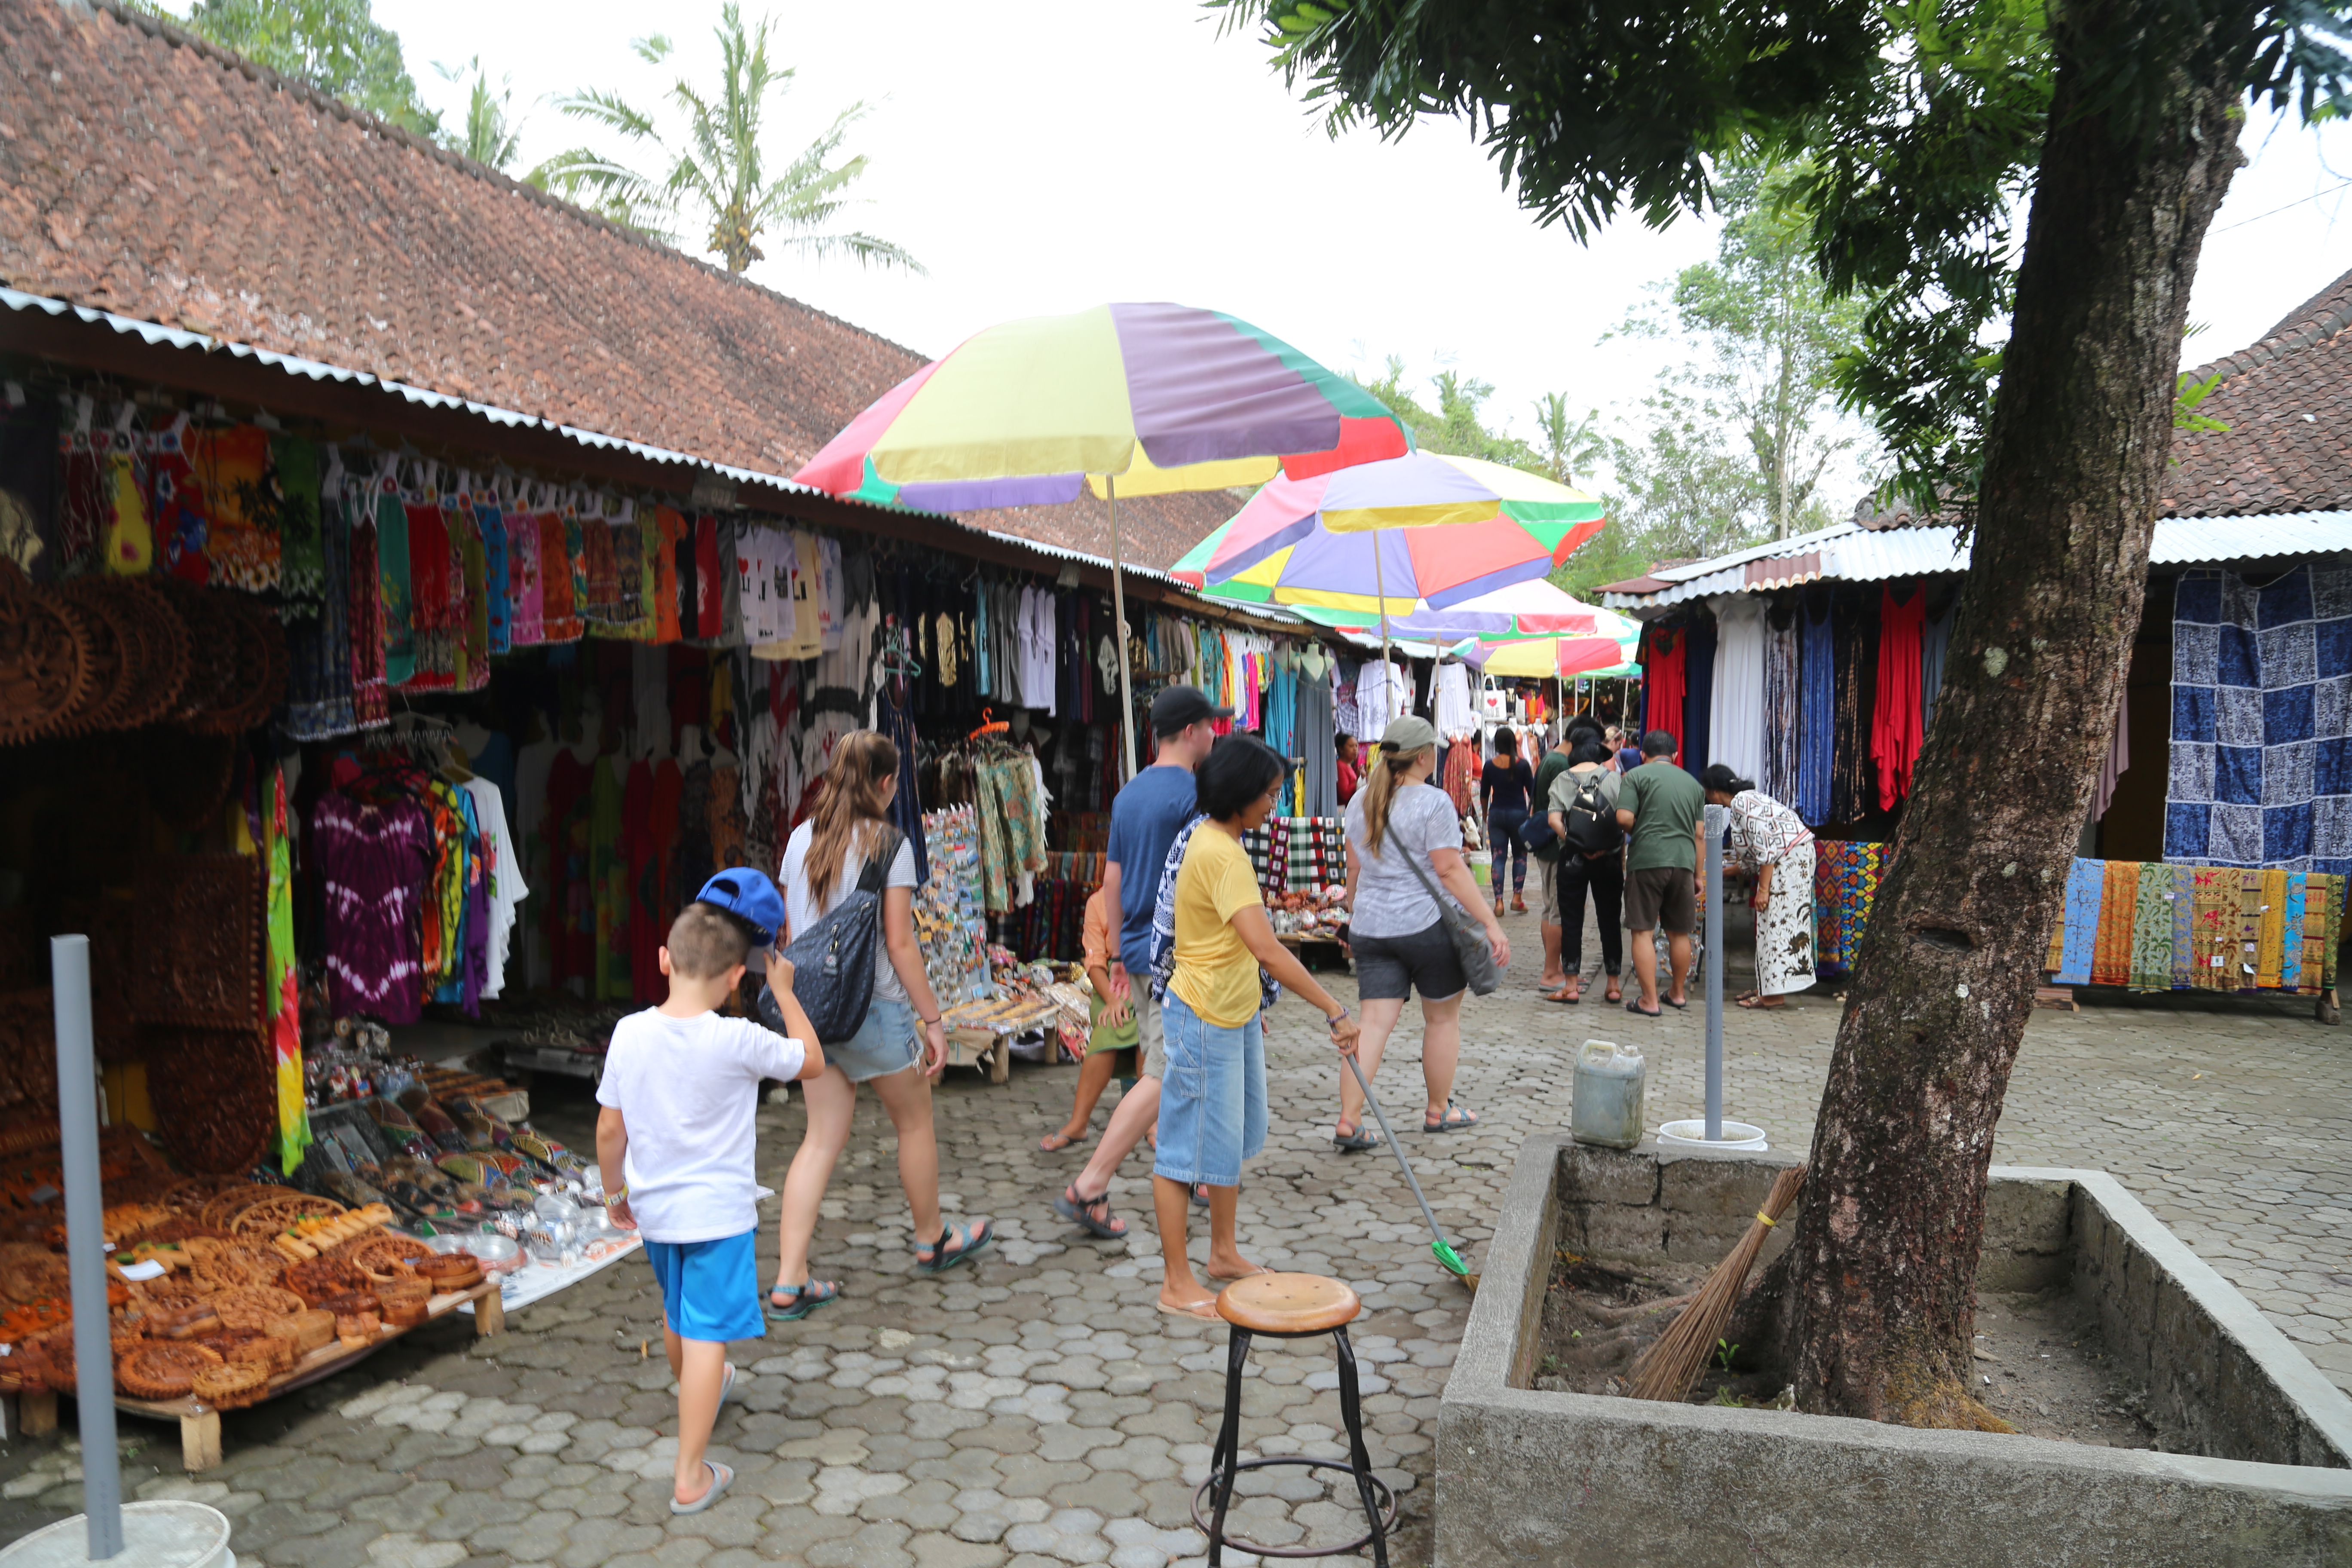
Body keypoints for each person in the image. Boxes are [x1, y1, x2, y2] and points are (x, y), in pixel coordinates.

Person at [595, 881, 825, 1513]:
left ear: (664, 961)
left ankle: (706, 1389)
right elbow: (812, 1060)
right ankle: (690, 1473)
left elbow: (609, 1128)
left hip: (657, 1210)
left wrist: (613, 1190)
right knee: (705, 1334)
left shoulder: (627, 1034)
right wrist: (784, 991)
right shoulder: (738, 1038)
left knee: (679, 1314)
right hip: (719, 1217)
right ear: (732, 980)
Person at [769, 732, 992, 1320]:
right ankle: (931, 1239)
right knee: (915, 1123)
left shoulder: (800, 840)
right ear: (888, 784)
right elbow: (900, 944)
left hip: (815, 1012)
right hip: (875, 1009)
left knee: (819, 1140)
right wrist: (934, 1019)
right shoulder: (890, 845)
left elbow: (795, 937)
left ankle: (790, 1279)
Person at [1155, 735, 1361, 1319]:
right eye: (1270, 794)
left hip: (1231, 1009)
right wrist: (1334, 1007)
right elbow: (1268, 949)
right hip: (1202, 1015)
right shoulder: (1221, 853)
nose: (1275, 804)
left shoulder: (1219, 841)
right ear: (1241, 794)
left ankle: (1223, 1252)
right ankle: (1176, 1281)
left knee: (1226, 1138)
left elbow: (1246, 953)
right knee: (1182, 1151)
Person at [1053, 685, 1226, 1241]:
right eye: (1211, 725)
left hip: (1140, 948)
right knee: (1168, 1069)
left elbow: (1111, 882)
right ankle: (1091, 1182)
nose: (1216, 734)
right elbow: (1200, 881)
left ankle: (1190, 1170)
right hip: (1181, 952)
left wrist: (1121, 952)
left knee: (1178, 1064)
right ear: (1192, 731)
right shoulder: (1196, 793)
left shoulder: (1129, 794)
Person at [1333, 716, 1507, 1151]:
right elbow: (1449, 870)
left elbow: (1354, 869)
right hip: (1425, 926)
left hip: (1372, 927)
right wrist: (1489, 921)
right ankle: (1438, 1109)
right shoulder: (1433, 803)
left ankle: (1349, 1120)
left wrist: (1355, 913)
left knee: (1372, 1025)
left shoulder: (1359, 802)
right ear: (1424, 756)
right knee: (1442, 1019)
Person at [1701, 763, 1819, 1008]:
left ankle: (1773, 995)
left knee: (1776, 923)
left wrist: (1763, 891)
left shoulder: (1743, 803)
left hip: (1789, 860)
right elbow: (1751, 860)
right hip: (1790, 858)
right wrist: (1719, 873)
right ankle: (1769, 986)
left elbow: (1767, 852)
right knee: (1772, 925)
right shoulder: (1743, 803)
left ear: (1712, 791)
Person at [1040, 885, 1138, 1154]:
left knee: (1150, 1029)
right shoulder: (1099, 902)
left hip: (1150, 980)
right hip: (1110, 987)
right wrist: (1113, 1000)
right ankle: (1078, 1122)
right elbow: (1094, 963)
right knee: (1111, 1025)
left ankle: (1151, 1121)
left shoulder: (1156, 891)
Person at [1617, 729, 1705, 1018]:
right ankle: (1677, 994)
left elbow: (1624, 818)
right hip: (1683, 862)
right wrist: (1698, 875)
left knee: (1642, 931)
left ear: (1643, 754)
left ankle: (1649, 1001)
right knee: (1680, 932)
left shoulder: (1636, 776)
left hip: (1647, 860)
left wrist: (1640, 829)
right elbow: (1699, 835)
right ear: (1675, 756)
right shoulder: (1693, 785)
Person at [1545, 734, 1626, 1005]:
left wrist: (1574, 840)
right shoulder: (1614, 779)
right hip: (1610, 859)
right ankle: (1614, 985)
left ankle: (1571, 986)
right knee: (1610, 919)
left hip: (1573, 859)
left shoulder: (1562, 780)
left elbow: (1554, 819)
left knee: (1571, 920)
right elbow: (1625, 819)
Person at [1531, 732, 1579, 989]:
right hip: (1554, 845)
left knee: (1550, 909)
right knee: (1557, 911)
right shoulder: (1561, 764)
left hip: (1546, 845)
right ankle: (1551, 972)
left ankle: (1555, 968)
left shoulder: (1549, 758)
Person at [1480, 729, 1536, 916]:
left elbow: (1484, 795)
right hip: (1519, 815)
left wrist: (1486, 815)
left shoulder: (1489, 765)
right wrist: (1531, 813)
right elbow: (1532, 792)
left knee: (1498, 857)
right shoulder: (1522, 765)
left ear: (1497, 744)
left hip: (1496, 814)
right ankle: (1517, 899)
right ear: (1514, 743)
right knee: (1520, 856)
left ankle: (1498, 904)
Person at [1336, 732, 1362, 806]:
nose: (1355, 750)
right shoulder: (1340, 766)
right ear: (1341, 749)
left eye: (1357, 746)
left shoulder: (1349, 765)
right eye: (1351, 746)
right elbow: (1345, 794)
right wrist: (1358, 780)